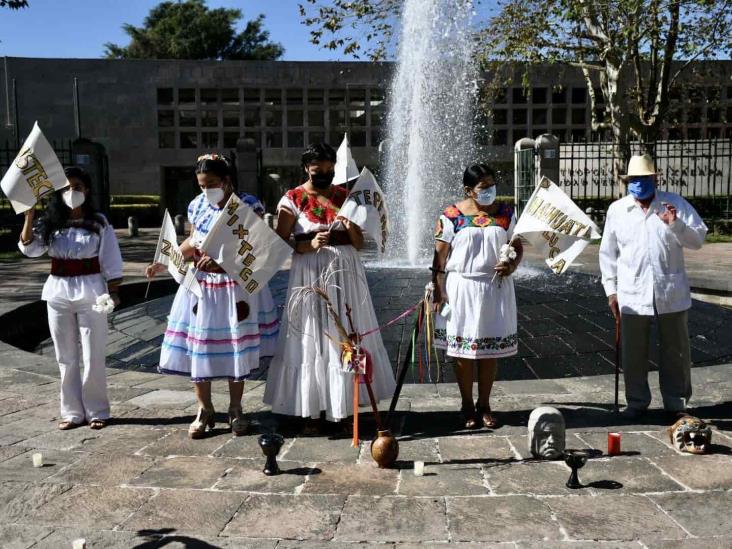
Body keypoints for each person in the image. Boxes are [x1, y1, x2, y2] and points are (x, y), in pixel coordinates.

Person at [263, 142, 396, 433]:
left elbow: (359, 244)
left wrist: (349, 222)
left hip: (345, 271)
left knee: (347, 330)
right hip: (309, 270)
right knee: (313, 335)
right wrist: (306, 244)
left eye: (328, 169)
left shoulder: (346, 196)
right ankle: (312, 410)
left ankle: (347, 406)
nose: (323, 174)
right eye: (317, 169)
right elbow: (279, 243)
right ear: (306, 168)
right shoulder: (293, 198)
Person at [146, 154, 279, 438]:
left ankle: (235, 408)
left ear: (227, 180)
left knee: (235, 344)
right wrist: (166, 259)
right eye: (202, 185)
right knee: (200, 345)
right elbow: (193, 241)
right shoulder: (197, 205)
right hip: (202, 285)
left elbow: (257, 248)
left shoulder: (248, 205)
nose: (207, 190)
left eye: (212, 184)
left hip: (235, 284)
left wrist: (222, 262)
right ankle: (204, 408)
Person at [599, 154, 707, 419]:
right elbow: (607, 254)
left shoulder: (675, 203)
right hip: (632, 293)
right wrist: (611, 291)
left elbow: (698, 240)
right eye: (635, 179)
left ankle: (676, 401)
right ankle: (636, 402)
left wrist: (676, 225)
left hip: (670, 291)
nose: (639, 184)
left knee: (676, 351)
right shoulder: (618, 210)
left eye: (644, 179)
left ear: (655, 179)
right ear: (627, 181)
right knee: (633, 353)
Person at [18, 167, 123, 430]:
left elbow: (111, 258)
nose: (71, 192)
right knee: (65, 355)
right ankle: (72, 412)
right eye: (66, 188)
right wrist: (29, 216)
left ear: (86, 190)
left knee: (93, 352)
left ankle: (97, 410)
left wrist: (114, 291)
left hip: (91, 291)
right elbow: (31, 248)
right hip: (58, 292)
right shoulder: (51, 221)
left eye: (77, 187)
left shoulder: (98, 222)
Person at [432, 163, 522, 430]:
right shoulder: (451, 216)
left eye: (492, 185)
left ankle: (485, 404)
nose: (489, 191)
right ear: (469, 190)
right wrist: (439, 290)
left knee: (488, 350)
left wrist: (511, 265)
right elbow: (439, 257)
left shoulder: (506, 213)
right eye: (483, 187)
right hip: (462, 288)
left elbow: (516, 246)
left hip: (495, 287)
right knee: (464, 351)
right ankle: (467, 404)